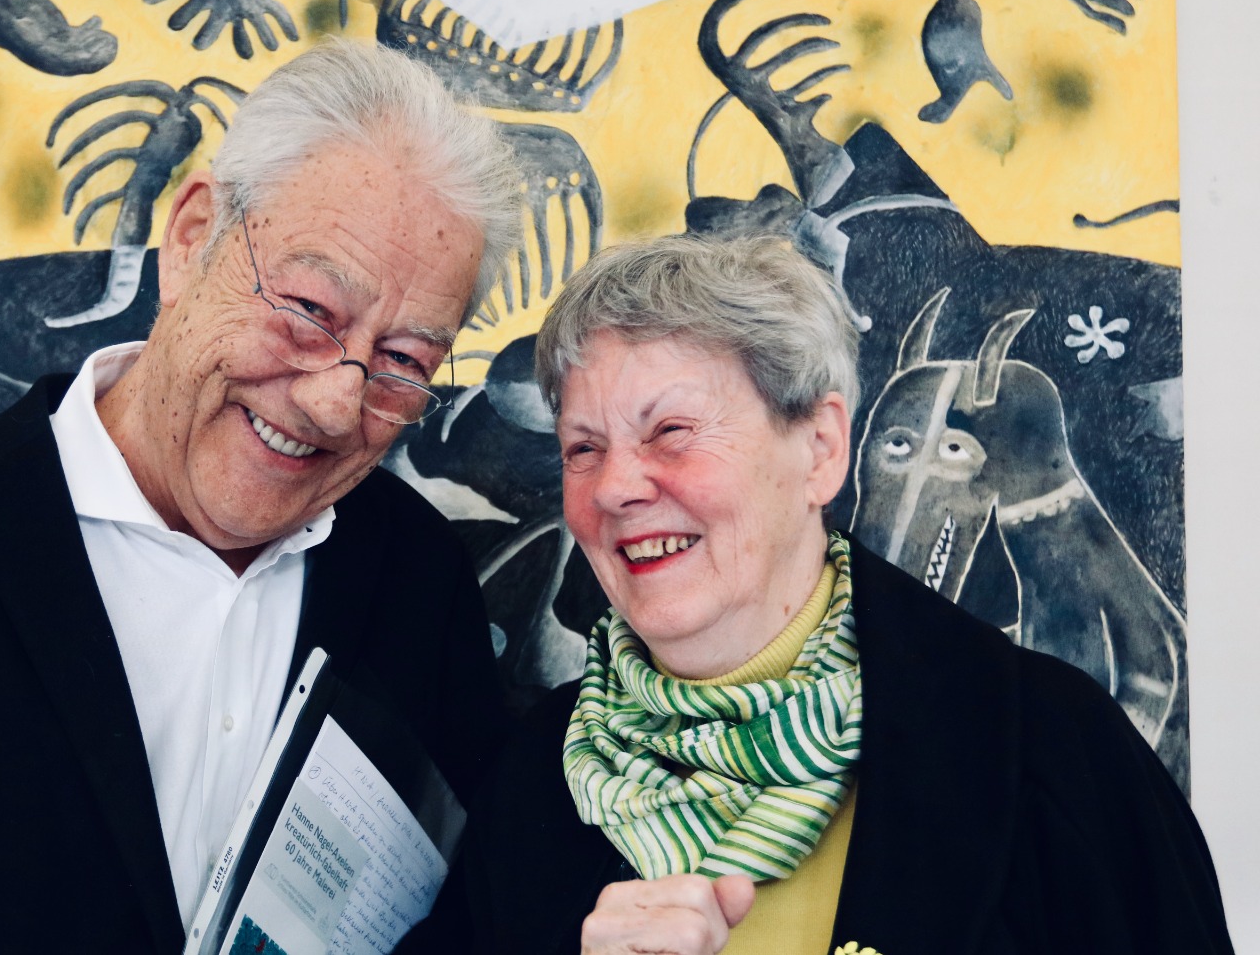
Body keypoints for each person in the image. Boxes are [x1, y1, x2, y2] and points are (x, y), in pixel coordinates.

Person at [0, 40, 520, 953]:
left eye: (404, 361)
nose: (337, 403)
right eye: (310, 310)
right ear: (192, 239)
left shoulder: (422, 583)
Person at [455, 235, 1232, 954]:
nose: (615, 487)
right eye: (583, 448)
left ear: (821, 449)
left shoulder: (1051, 748)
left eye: (671, 431)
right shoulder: (537, 777)